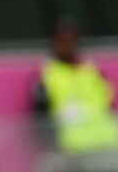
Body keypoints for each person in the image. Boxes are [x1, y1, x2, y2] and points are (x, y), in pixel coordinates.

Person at [34, 17, 118, 155]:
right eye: (63, 40)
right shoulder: (46, 76)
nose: (68, 45)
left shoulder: (93, 71)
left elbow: (110, 107)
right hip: (72, 153)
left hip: (108, 145)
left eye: (71, 39)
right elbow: (39, 121)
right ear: (55, 42)